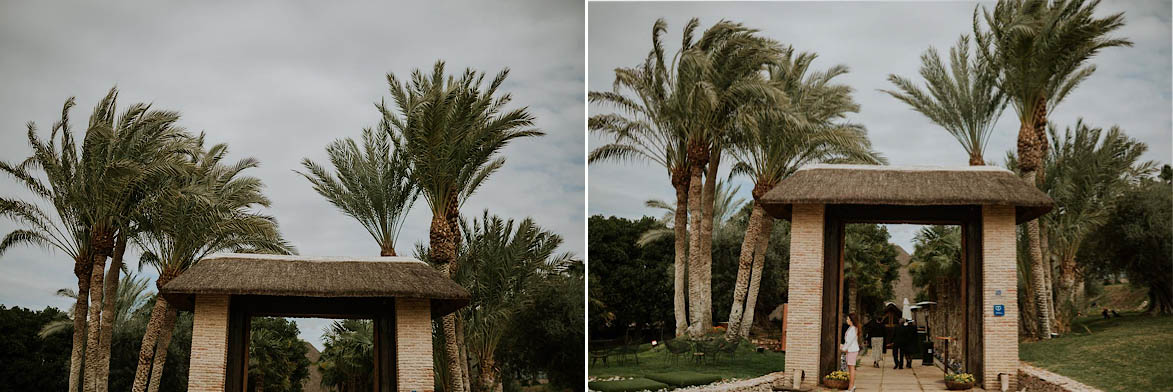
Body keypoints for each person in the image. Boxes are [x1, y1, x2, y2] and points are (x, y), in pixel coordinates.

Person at [841, 312, 862, 392]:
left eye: (848, 319)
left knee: (852, 368)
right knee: (850, 368)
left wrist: (843, 348)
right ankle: (851, 386)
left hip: (852, 350)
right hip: (850, 350)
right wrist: (843, 346)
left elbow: (850, 341)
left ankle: (851, 387)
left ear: (851, 320)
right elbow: (848, 341)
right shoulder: (851, 328)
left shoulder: (853, 329)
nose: (846, 320)